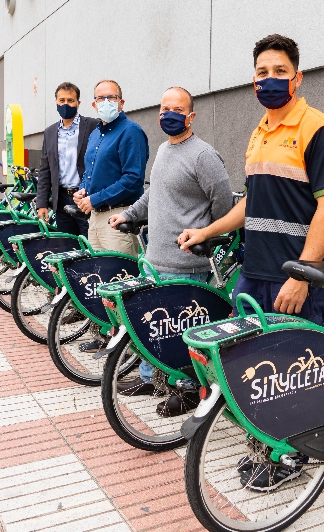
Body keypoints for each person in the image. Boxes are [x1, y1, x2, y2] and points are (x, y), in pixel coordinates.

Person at [179, 34, 324, 489]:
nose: (269, 79)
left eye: (279, 72)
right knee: (257, 370)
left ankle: (294, 457)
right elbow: (251, 202)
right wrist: (208, 231)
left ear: (297, 77)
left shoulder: (319, 130)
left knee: (295, 372)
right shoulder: (260, 132)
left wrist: (303, 275)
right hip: (254, 273)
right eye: (261, 72)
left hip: (294, 276)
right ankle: (267, 444)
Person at [109, 86, 233, 416]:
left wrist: (208, 235)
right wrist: (130, 214)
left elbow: (223, 202)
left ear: (191, 116)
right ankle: (151, 379)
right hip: (155, 258)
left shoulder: (203, 155)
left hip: (186, 263)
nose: (169, 115)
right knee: (154, 328)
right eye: (165, 109)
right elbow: (154, 194)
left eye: (177, 110)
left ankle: (190, 389)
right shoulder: (164, 149)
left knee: (183, 332)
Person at [73, 80, 149, 255]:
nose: (106, 102)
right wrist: (82, 190)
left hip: (120, 216)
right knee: (99, 270)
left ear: (121, 103)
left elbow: (133, 178)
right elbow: (89, 171)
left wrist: (95, 199)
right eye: (101, 98)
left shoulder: (131, 131)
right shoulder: (95, 134)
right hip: (95, 217)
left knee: (121, 271)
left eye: (112, 97)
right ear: (94, 104)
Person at [35, 83, 99, 237]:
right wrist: (42, 203)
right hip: (61, 199)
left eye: (70, 100)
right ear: (56, 102)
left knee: (90, 243)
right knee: (67, 244)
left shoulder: (93, 125)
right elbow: (45, 170)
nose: (66, 104)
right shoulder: (50, 132)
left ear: (78, 103)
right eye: (61, 100)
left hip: (85, 197)